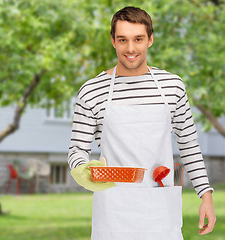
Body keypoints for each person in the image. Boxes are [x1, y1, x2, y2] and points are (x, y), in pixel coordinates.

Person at [68, 6, 216, 240]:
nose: (130, 48)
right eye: (122, 40)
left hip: (161, 208)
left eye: (138, 39)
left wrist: (205, 194)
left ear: (150, 39)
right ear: (113, 41)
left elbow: (188, 144)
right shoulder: (91, 91)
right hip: (113, 210)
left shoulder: (172, 86)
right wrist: (84, 170)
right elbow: (77, 149)